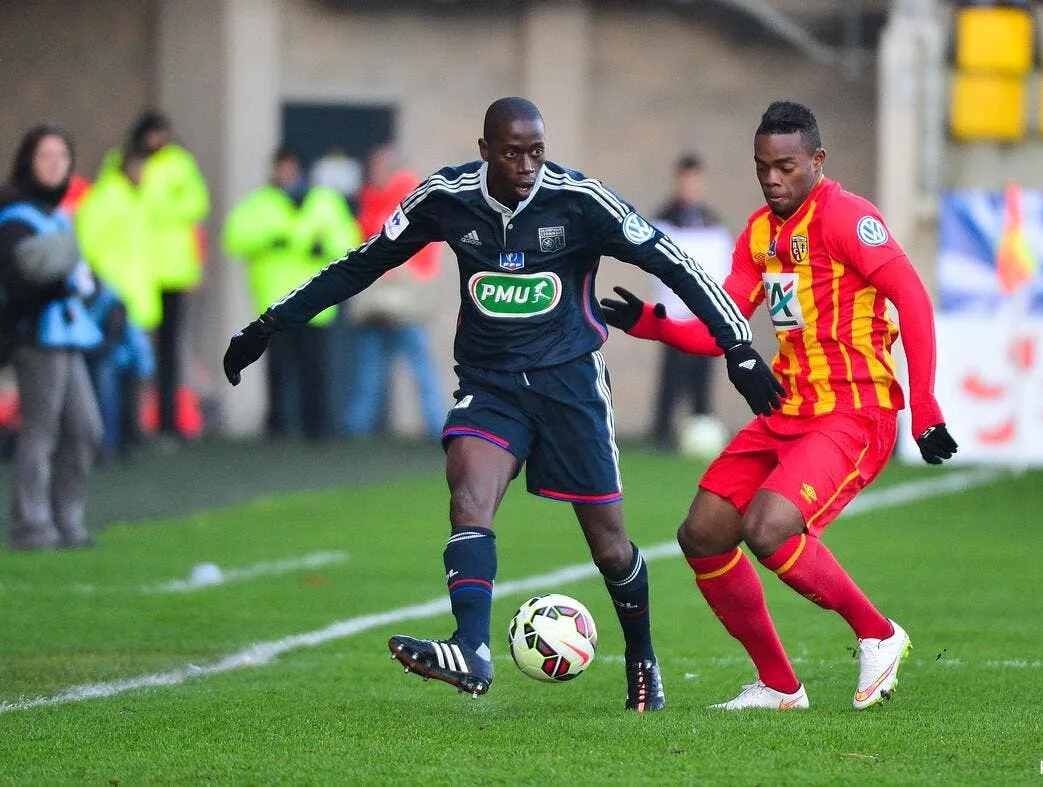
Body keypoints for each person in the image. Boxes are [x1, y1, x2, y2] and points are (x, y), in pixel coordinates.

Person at [222, 97, 782, 712]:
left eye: (536, 152)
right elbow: (361, 264)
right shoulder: (446, 197)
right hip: (490, 384)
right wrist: (271, 322)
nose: (526, 166)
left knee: (610, 546)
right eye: (512, 153)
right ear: (485, 150)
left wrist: (738, 346)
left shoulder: (580, 201)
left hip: (570, 386)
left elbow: (674, 263)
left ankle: (642, 655)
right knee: (468, 494)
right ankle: (471, 647)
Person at [601, 101, 958, 711]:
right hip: (788, 409)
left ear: (817, 160)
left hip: (854, 410)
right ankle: (779, 686)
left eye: (785, 167)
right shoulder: (760, 234)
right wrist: (654, 323)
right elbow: (725, 322)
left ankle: (877, 633)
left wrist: (924, 408)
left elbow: (913, 299)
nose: (772, 179)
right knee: (703, 534)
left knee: (768, 528)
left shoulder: (847, 217)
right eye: (762, 167)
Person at [0, 125, 104, 550]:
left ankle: (67, 521)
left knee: (85, 429)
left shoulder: (58, 215)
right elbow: (19, 280)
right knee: (41, 431)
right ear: (29, 161)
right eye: (45, 155)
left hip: (66, 334)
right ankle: (33, 526)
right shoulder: (16, 216)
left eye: (62, 156)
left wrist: (83, 282)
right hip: (36, 335)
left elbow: (78, 274)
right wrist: (60, 280)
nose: (55, 164)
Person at [223, 148, 361, 441]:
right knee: (278, 367)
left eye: (290, 167)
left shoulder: (325, 200)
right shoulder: (260, 202)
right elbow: (235, 237)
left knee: (315, 366)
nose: (285, 174)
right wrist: (268, 240)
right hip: (276, 301)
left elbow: (349, 238)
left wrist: (324, 247)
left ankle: (316, 427)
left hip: (316, 302)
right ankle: (277, 425)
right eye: (281, 167)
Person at [342, 143, 446, 440]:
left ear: (390, 168)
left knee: (419, 365)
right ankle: (356, 430)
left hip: (404, 297)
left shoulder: (408, 196)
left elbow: (414, 248)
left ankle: (438, 427)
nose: (370, 171)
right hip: (377, 298)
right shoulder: (372, 198)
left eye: (376, 166)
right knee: (370, 366)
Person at [129, 112, 209, 440]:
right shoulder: (125, 161)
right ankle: (130, 422)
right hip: (135, 270)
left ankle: (168, 420)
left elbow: (197, 204)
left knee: (168, 350)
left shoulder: (179, 163)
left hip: (173, 271)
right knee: (130, 349)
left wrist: (156, 208)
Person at [76, 147, 159, 457]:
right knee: (107, 371)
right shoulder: (107, 199)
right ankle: (105, 441)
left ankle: (123, 436)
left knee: (128, 372)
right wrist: (101, 291)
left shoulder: (136, 199)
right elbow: (87, 245)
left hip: (134, 300)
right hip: (112, 301)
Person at [649, 153, 733, 449]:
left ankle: (701, 425)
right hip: (676, 313)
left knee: (702, 376)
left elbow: (721, 264)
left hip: (705, 316)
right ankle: (662, 433)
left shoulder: (711, 220)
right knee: (673, 375)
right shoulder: (665, 218)